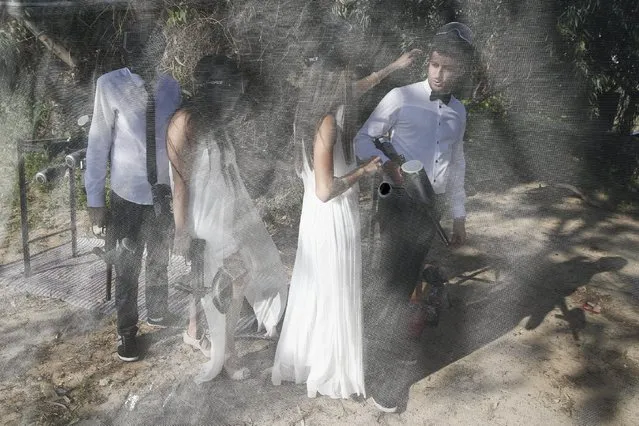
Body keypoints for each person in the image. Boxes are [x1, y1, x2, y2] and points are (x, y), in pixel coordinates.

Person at [271, 48, 421, 399]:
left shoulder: (311, 107)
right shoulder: (324, 121)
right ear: (331, 81)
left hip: (317, 215)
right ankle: (330, 370)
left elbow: (362, 85)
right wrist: (365, 170)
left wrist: (394, 66)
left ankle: (309, 357)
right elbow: (325, 190)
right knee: (333, 290)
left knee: (319, 290)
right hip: (330, 215)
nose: (350, 82)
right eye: (344, 76)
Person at [354, 22, 474, 412]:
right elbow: (362, 138)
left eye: (448, 68)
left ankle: (378, 356)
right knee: (387, 281)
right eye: (435, 64)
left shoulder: (459, 112)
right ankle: (376, 371)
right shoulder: (400, 96)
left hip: (431, 207)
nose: (438, 74)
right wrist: (389, 166)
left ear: (461, 71)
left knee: (405, 283)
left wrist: (458, 215)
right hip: (397, 200)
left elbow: (456, 164)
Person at [167, 55, 288, 382]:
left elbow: (228, 173)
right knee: (223, 285)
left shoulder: (215, 121)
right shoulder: (184, 122)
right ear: (214, 88)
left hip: (230, 213)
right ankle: (225, 352)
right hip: (207, 219)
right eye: (231, 89)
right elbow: (181, 183)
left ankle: (226, 348)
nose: (236, 97)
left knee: (237, 281)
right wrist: (181, 231)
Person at [85, 31, 181, 362]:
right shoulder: (109, 85)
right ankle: (126, 332)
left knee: (159, 258)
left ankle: (158, 311)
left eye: (155, 54)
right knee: (127, 265)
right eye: (140, 57)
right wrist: (94, 198)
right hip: (127, 194)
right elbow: (98, 142)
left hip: (162, 193)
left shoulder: (171, 86)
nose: (148, 63)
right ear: (129, 57)